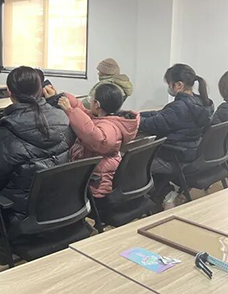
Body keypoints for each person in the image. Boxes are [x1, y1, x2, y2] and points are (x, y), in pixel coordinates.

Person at [0, 66, 75, 234]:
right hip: (61, 207)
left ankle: (4, 245)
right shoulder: (63, 119)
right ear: (40, 89)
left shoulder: (5, 133)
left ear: (9, 92)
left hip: (20, 216)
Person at [139, 64, 213, 208]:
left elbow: (153, 125)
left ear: (179, 85)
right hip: (191, 152)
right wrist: (139, 115)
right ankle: (167, 193)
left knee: (135, 165)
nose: (169, 87)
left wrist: (134, 121)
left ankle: (165, 194)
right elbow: (163, 115)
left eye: (169, 84)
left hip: (174, 157)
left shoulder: (179, 107)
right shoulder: (201, 102)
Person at [56, 84, 140, 200]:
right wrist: (61, 96)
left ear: (97, 104)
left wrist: (70, 111)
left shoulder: (109, 129)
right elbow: (83, 112)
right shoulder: (110, 119)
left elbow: (93, 135)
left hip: (96, 184)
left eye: (92, 99)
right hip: (93, 175)